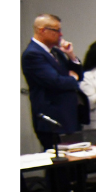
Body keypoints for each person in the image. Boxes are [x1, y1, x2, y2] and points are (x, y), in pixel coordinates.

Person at [22, 14, 84, 149]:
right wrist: (72, 78)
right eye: (56, 30)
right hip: (53, 120)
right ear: (42, 30)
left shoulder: (56, 52)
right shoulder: (32, 54)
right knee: (59, 164)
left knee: (75, 162)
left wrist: (71, 56)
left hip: (69, 117)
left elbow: (80, 76)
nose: (60, 34)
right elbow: (55, 82)